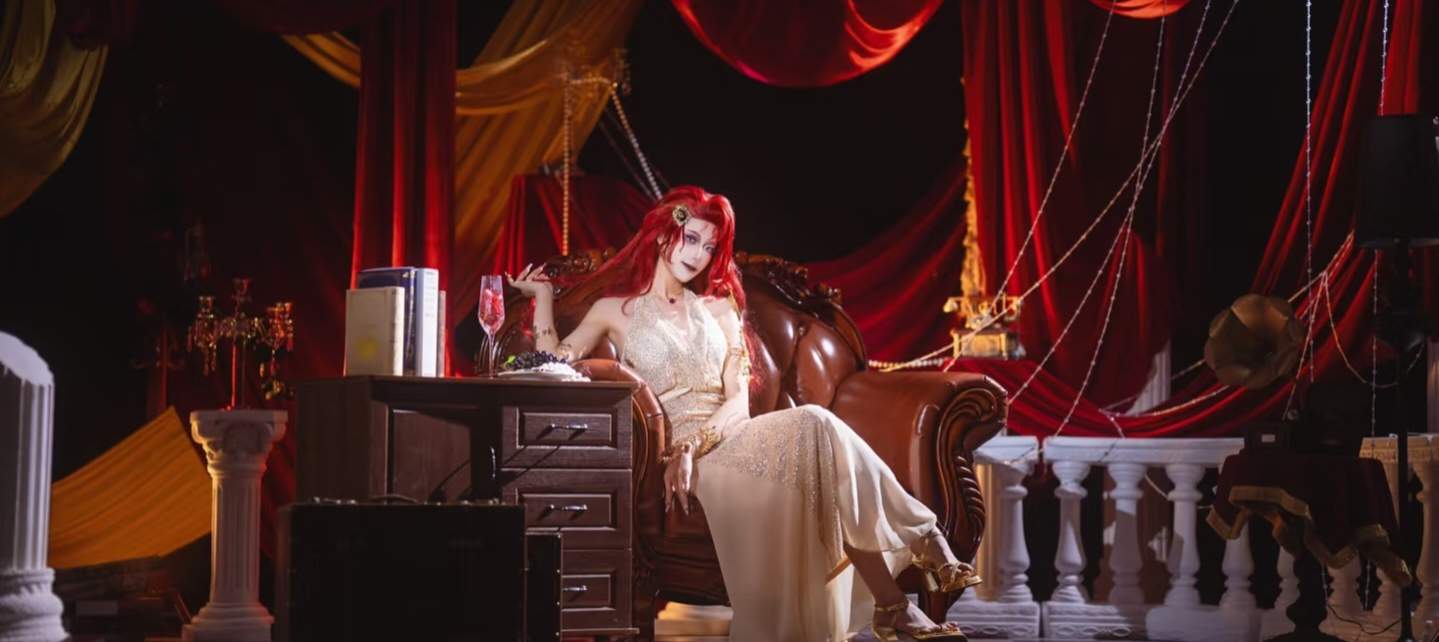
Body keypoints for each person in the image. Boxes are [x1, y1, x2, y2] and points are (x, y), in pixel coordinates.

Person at [508, 186, 977, 642]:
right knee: (818, 432)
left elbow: (737, 401)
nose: (698, 255)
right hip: (681, 458)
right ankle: (912, 568)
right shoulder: (614, 310)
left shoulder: (720, 307)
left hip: (731, 437)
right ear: (662, 234)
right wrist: (542, 299)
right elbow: (554, 364)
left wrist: (691, 447)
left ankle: (902, 591)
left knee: (816, 429)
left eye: (709, 247)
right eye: (691, 238)